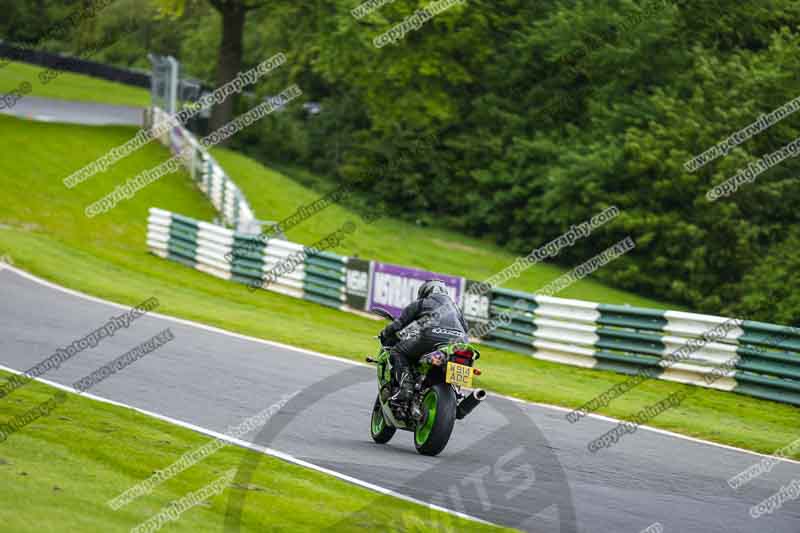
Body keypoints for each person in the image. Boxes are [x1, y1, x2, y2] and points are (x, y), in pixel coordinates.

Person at [379, 279, 469, 401]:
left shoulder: (422, 303)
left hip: (432, 337)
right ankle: (457, 394)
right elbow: (466, 328)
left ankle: (406, 389)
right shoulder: (456, 308)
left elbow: (398, 324)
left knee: (397, 352)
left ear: (425, 291)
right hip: (460, 343)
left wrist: (385, 333)